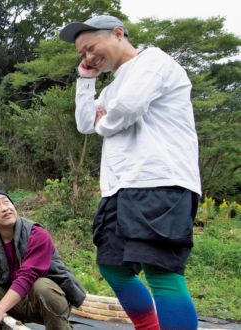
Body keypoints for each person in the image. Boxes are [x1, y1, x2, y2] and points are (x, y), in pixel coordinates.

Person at [59, 15, 201, 330]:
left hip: (161, 181)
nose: (88, 57)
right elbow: (86, 124)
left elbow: (127, 109)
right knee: (112, 265)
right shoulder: (112, 89)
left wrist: (104, 121)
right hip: (119, 187)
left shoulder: (154, 62)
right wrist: (85, 78)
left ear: (118, 34)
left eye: (91, 47)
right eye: (82, 54)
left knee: (161, 272)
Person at [0, 190, 85, 330]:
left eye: (6, 202)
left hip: (47, 301)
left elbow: (27, 276)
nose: (5, 208)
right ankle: (11, 323)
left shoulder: (37, 234)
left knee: (42, 286)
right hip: (18, 301)